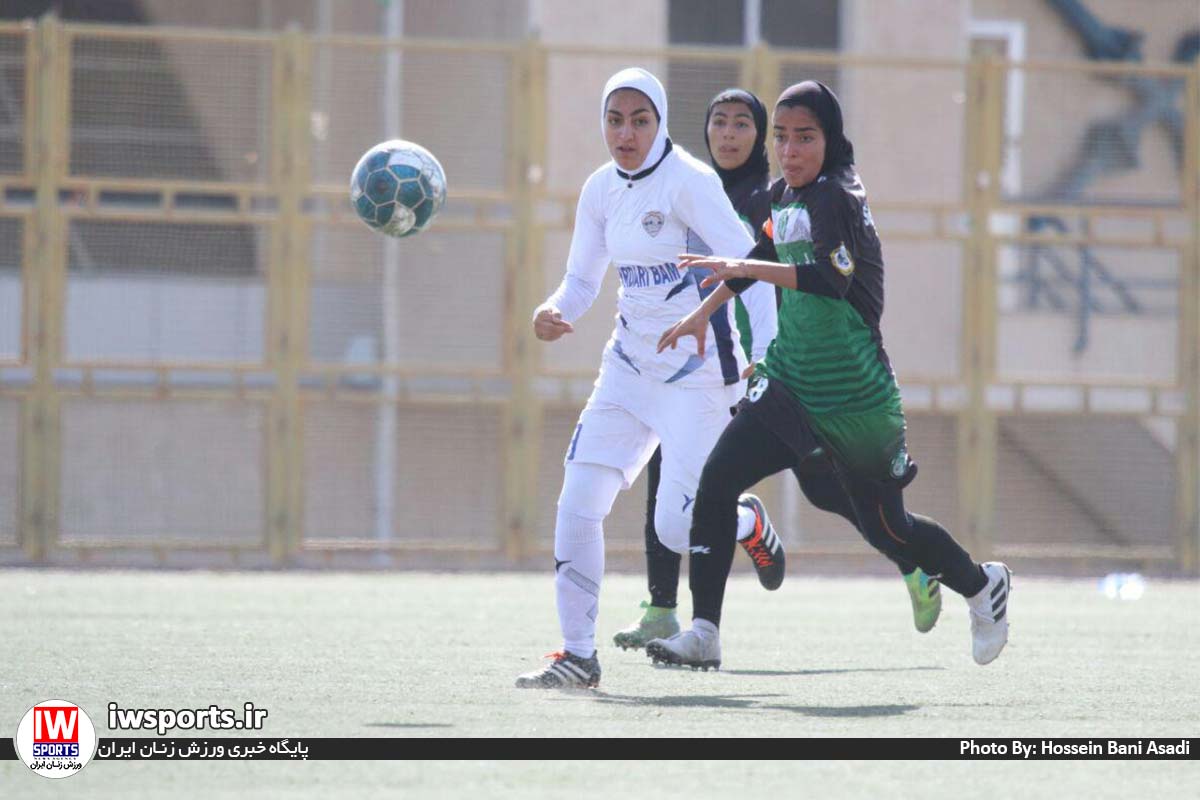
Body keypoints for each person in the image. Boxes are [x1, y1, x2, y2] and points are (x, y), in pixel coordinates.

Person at [648, 81, 1011, 672]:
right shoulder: (782, 195)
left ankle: (980, 584)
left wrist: (746, 265)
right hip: (791, 382)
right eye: (783, 138)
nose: (790, 150)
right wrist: (699, 314)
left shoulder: (837, 196)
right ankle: (705, 632)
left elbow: (829, 279)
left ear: (831, 139)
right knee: (718, 481)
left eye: (805, 138)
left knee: (890, 528)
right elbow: (755, 257)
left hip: (856, 398)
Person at [514, 68, 783, 689]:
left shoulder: (690, 184)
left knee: (672, 528)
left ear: (660, 122)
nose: (626, 133)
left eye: (640, 120)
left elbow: (751, 267)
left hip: (697, 379)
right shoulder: (600, 190)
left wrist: (764, 357)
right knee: (578, 505)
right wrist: (552, 311)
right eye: (615, 119)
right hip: (626, 370)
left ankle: (745, 521)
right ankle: (578, 657)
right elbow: (582, 281)